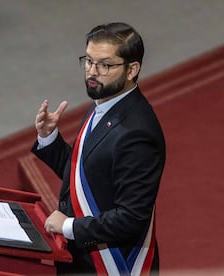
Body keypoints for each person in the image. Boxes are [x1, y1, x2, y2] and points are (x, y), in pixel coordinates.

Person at [31, 22, 166, 275]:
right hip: (85, 259)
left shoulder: (137, 133)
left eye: (105, 65)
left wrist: (70, 226)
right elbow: (87, 179)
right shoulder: (105, 104)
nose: (92, 72)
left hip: (113, 263)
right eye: (88, 61)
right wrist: (49, 138)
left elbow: (131, 218)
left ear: (132, 69)